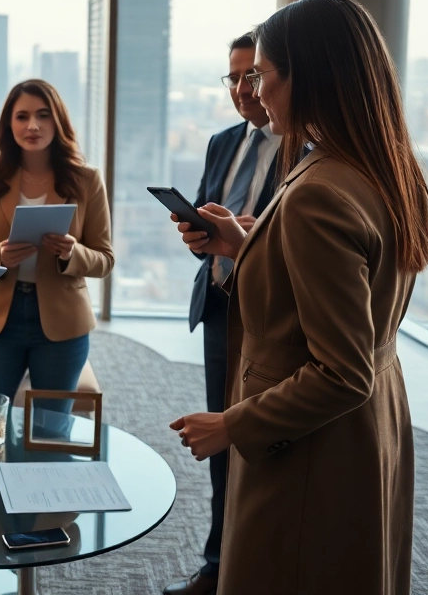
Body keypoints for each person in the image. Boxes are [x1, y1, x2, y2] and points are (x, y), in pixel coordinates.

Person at [169, 0, 428, 595]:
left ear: (305, 77)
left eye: (261, 75)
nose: (253, 93)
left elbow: (340, 372)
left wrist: (231, 424)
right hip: (367, 430)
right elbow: (353, 294)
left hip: (308, 448)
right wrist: (249, 243)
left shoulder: (318, 190)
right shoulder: (385, 171)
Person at [163, 32, 282, 595]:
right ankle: (217, 567)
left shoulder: (304, 152)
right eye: (232, 77)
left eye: (251, 76)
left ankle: (252, 566)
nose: (240, 89)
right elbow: (211, 222)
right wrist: (197, 233)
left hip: (269, 318)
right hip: (219, 308)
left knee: (260, 441)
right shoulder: (222, 141)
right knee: (221, 441)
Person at [0, 79, 113, 417]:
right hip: (1, 319)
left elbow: (105, 260)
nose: (32, 125)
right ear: (8, 124)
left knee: (50, 430)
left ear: (57, 121)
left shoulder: (86, 180)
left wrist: (72, 252)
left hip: (62, 323)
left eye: (43, 115)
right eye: (22, 116)